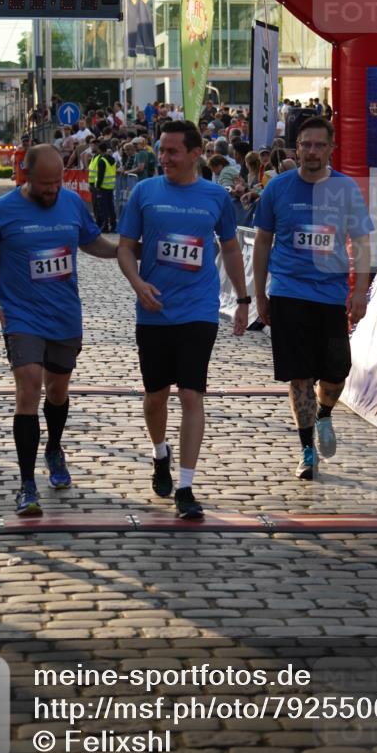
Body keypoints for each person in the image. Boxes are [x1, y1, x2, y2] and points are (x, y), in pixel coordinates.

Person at [0, 144, 118, 516]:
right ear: (25, 174)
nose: (53, 190)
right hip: (21, 316)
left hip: (64, 315)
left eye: (57, 182)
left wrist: (123, 250)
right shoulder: (0, 212)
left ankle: (54, 446)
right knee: (29, 387)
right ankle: (26, 484)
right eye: (45, 184)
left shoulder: (71, 204)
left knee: (56, 391)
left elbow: (93, 242)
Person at [117, 120, 249, 520]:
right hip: (154, 311)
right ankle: (161, 454)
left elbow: (230, 249)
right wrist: (138, 283)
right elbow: (125, 249)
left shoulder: (215, 197)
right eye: (162, 150)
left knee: (192, 395)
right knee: (155, 397)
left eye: (173, 151)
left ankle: (186, 486)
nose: (164, 158)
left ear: (195, 154)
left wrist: (243, 300)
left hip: (198, 310)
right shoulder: (144, 192)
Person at [252, 116, 373, 479]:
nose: (312, 151)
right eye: (305, 144)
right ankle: (306, 449)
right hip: (289, 292)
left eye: (320, 145)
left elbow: (363, 242)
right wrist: (259, 294)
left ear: (331, 148)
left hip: (331, 295)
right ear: (296, 148)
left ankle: (324, 414)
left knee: (336, 373)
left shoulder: (346, 189)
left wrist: (359, 291)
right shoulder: (278, 188)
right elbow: (261, 242)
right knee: (299, 377)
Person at [94, 140, 118, 233]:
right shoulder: (112, 159)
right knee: (111, 207)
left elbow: (100, 175)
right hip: (110, 186)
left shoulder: (102, 160)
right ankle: (113, 225)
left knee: (103, 208)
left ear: (100, 150)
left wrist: (98, 186)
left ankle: (105, 227)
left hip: (103, 187)